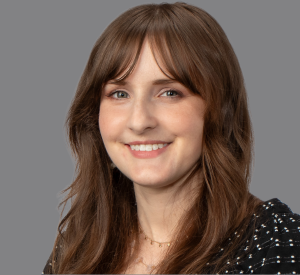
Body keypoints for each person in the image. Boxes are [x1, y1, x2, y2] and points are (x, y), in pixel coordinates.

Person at [42, 2, 300, 274]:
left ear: (219, 109)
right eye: (120, 94)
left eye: (169, 93)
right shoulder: (79, 245)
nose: (140, 121)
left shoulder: (278, 243)